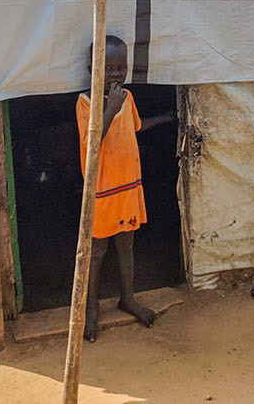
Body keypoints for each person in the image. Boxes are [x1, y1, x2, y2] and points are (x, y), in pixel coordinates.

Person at [75, 35, 175, 341]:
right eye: (110, 67)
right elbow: (93, 142)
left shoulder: (128, 98)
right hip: (102, 191)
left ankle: (127, 297)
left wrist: (167, 118)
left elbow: (136, 126)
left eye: (122, 66)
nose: (117, 73)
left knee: (126, 244)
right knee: (97, 251)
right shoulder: (85, 103)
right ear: (94, 69)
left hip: (129, 187)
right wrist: (110, 107)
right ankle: (90, 310)